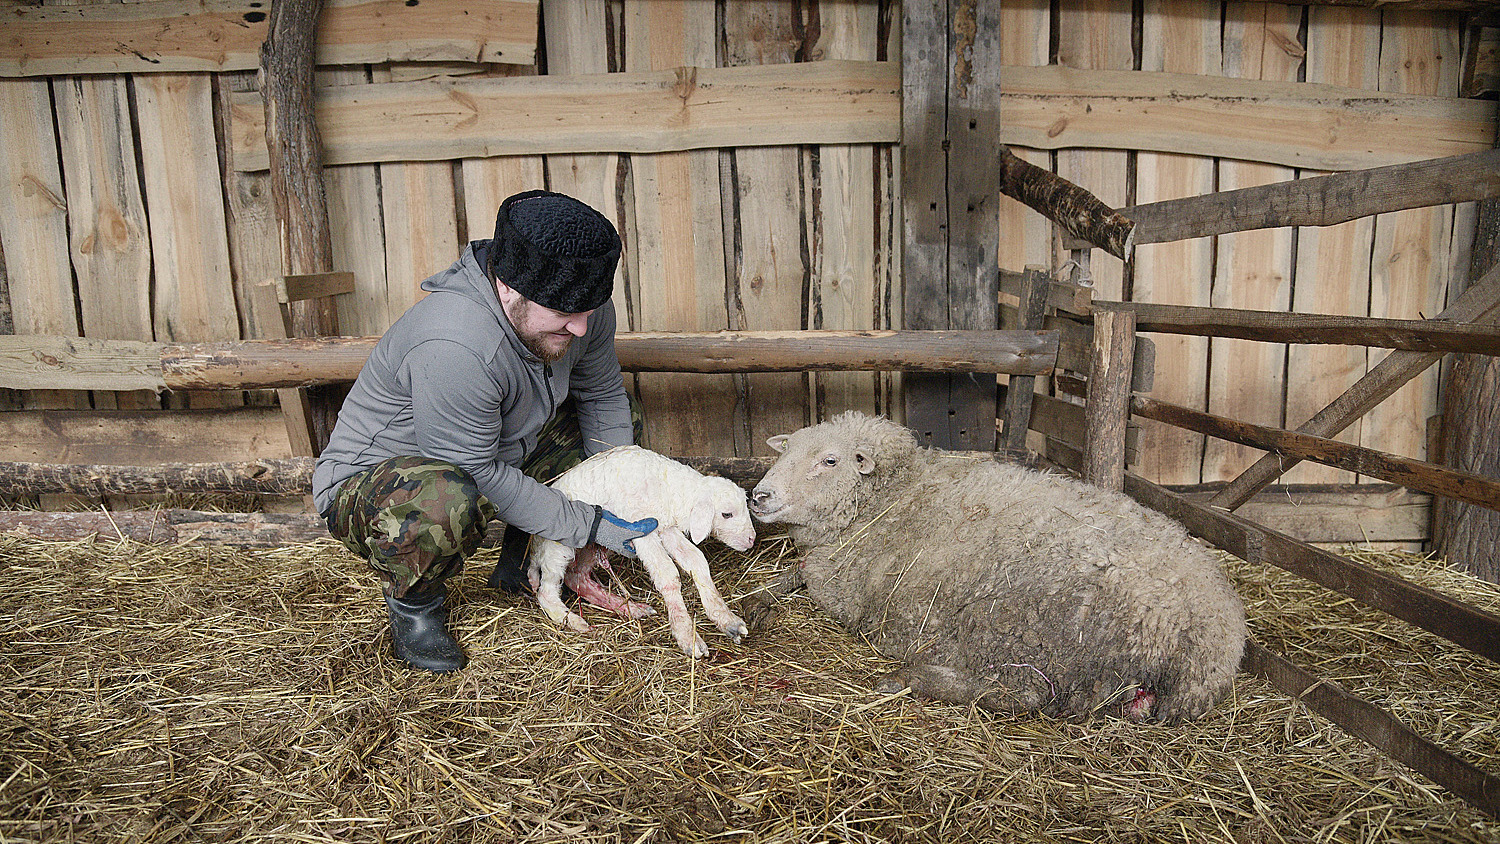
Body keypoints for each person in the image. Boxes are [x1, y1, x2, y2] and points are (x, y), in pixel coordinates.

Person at [312, 189, 658, 673]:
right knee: (445, 499)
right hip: (388, 487)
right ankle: (417, 606)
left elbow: (601, 396)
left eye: (589, 309)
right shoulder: (457, 343)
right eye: (563, 314)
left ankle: (525, 562)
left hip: (496, 452)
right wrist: (588, 523)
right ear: (508, 288)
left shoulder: (582, 313)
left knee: (618, 427)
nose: (581, 328)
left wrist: (613, 504)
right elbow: (471, 468)